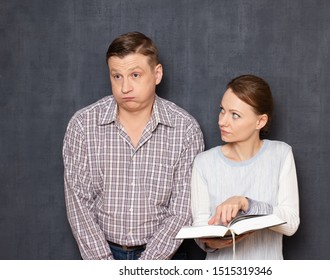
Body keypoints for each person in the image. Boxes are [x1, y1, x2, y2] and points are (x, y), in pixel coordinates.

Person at [63, 31, 204, 260]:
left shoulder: (185, 129)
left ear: (157, 74)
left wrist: (145, 267)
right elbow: (79, 205)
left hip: (165, 256)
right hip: (100, 254)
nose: (125, 87)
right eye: (117, 76)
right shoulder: (82, 125)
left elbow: (182, 210)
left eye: (135, 75)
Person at [190, 74, 299, 259]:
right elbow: (200, 227)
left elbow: (291, 223)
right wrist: (210, 242)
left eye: (235, 115)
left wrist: (246, 204)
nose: (222, 121)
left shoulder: (281, 154)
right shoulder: (204, 162)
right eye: (222, 110)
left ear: (260, 121)